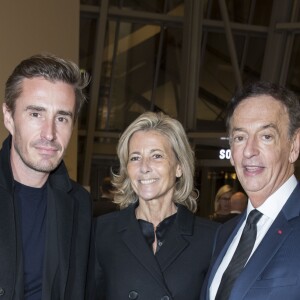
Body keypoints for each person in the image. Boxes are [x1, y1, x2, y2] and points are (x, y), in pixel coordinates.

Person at [91, 111, 219, 299]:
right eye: (135, 158)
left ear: (179, 167)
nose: (144, 167)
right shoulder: (101, 232)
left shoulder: (212, 238)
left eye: (157, 156)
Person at [0, 54, 92, 299]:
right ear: (9, 117)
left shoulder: (80, 203)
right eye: (36, 114)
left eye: (62, 118)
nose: (49, 134)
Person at [201, 81, 300, 300]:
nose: (249, 151)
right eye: (240, 137)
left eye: (266, 136)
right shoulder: (225, 233)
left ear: (294, 146)